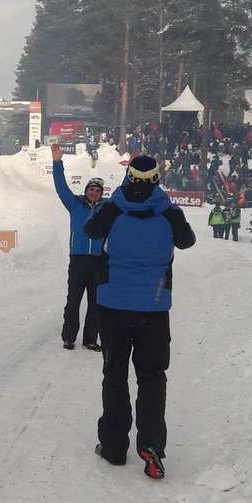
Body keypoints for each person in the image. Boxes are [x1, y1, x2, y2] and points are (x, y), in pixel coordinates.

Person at [83, 152, 196, 480]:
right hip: (154, 309)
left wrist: (114, 202)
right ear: (157, 178)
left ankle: (114, 447)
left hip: (114, 307)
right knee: (152, 377)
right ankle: (151, 446)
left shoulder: (114, 207)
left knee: (114, 374)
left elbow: (91, 230)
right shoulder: (169, 211)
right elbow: (186, 241)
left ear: (128, 177)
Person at [51, 142, 106, 350]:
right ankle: (68, 337)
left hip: (99, 261)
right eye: (91, 189)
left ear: (101, 194)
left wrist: (132, 169)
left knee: (96, 302)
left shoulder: (106, 208)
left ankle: (91, 339)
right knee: (73, 300)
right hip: (78, 260)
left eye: (97, 190)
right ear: (86, 192)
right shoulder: (75, 205)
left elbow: (124, 194)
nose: (93, 192)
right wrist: (57, 163)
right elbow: (61, 188)